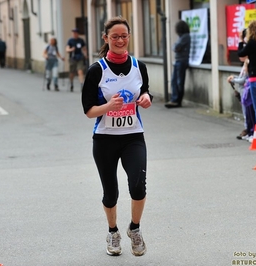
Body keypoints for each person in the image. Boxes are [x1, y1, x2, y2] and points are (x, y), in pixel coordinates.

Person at [81, 16, 152, 257]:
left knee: (138, 186)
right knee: (110, 192)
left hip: (133, 136)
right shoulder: (96, 71)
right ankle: (113, 231)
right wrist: (108, 106)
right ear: (106, 39)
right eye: (115, 36)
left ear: (129, 37)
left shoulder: (138, 66)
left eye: (124, 36)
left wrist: (146, 98)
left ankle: (135, 228)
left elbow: (145, 92)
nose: (120, 40)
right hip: (105, 139)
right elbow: (89, 111)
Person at [227, 56, 256, 141]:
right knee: (245, 113)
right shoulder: (244, 64)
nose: (239, 57)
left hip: (246, 91)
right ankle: (248, 130)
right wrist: (234, 77)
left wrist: (233, 80)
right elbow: (241, 77)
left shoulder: (248, 63)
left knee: (247, 113)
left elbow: (243, 79)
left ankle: (249, 130)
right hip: (243, 91)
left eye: (242, 55)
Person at [165, 20, 191, 108]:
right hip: (177, 61)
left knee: (180, 81)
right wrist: (176, 47)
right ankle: (174, 99)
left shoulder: (186, 36)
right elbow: (175, 47)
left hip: (182, 61)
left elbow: (176, 47)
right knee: (173, 81)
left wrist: (176, 47)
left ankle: (177, 100)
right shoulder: (180, 37)